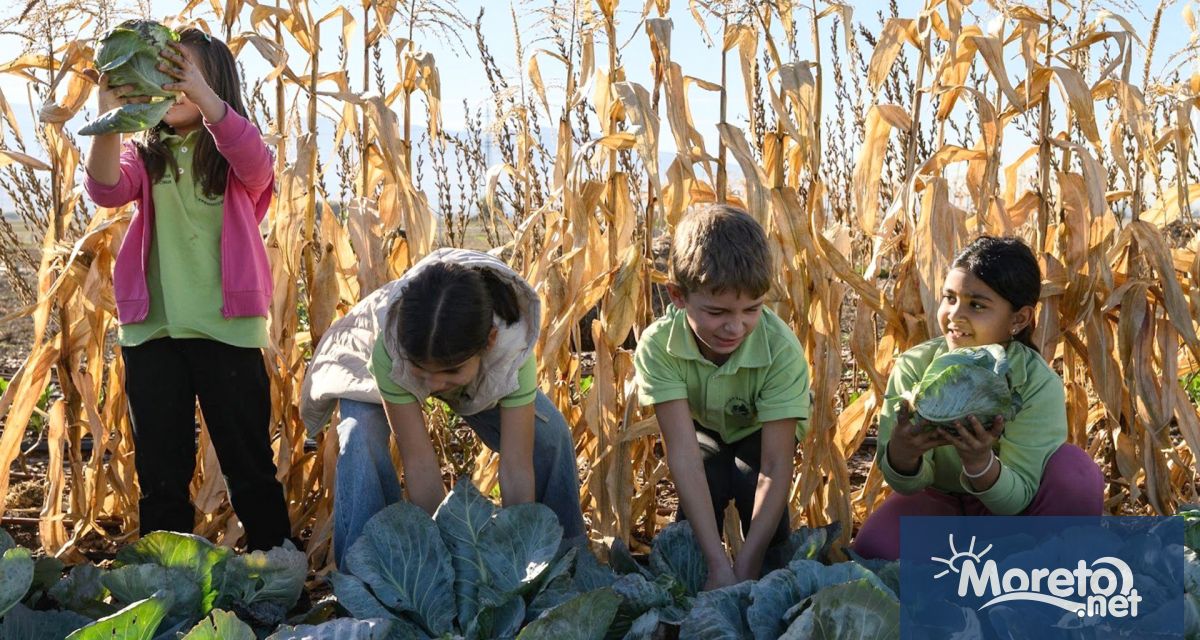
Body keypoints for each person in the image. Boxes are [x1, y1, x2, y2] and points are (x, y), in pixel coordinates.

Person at [83, 28, 290, 550]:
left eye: (182, 74)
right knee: (160, 469)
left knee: (248, 466)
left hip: (228, 331)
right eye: (162, 73)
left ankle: (275, 564)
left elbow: (257, 165)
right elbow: (104, 188)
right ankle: (166, 578)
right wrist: (110, 116)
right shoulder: (144, 156)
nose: (171, 87)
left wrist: (203, 97)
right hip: (153, 332)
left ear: (212, 83)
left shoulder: (234, 152)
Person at [301, 248, 586, 568]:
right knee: (360, 437)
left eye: (449, 372)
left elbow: (516, 469)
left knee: (550, 434)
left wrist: (521, 555)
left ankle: (564, 560)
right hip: (372, 363)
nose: (434, 385)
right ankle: (366, 571)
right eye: (426, 375)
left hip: (462, 369)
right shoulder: (390, 350)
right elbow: (419, 462)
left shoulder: (511, 350)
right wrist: (451, 555)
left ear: (489, 341)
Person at [852, 236, 1105, 561]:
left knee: (1076, 474)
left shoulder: (1036, 383)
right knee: (876, 550)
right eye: (949, 298)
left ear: (1019, 319)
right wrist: (903, 454)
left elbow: (1016, 498)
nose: (954, 315)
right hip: (941, 502)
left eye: (977, 305)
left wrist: (979, 463)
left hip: (1015, 514)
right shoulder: (915, 367)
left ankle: (1040, 571)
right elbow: (907, 486)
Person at [633, 205, 811, 590]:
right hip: (703, 429)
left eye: (752, 309)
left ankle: (773, 581)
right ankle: (693, 587)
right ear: (678, 296)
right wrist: (717, 565)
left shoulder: (780, 349)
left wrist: (744, 568)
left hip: (759, 430)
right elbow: (682, 452)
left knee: (754, 490)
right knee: (703, 491)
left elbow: (775, 464)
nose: (735, 327)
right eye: (717, 312)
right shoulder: (659, 347)